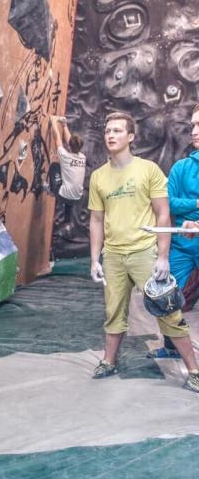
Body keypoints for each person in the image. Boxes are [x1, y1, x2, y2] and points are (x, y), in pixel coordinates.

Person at [88, 111, 199, 391]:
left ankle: (194, 370)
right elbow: (96, 220)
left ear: (131, 137)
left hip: (144, 252)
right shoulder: (99, 177)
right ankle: (108, 361)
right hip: (114, 255)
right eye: (107, 131)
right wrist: (94, 259)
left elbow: (163, 214)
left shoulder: (148, 170)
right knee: (114, 311)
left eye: (117, 130)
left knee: (168, 309)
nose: (110, 135)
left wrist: (161, 256)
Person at [148, 106, 199, 359]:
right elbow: (169, 203)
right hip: (181, 244)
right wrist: (196, 205)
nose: (195, 132)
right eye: (193, 125)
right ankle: (172, 347)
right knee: (168, 296)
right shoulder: (181, 167)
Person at [50, 115, 86, 222]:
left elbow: (57, 137)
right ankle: (67, 219)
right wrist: (64, 125)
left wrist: (53, 121)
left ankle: (50, 189)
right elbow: (70, 142)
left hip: (64, 195)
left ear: (69, 146)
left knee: (54, 167)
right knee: (70, 189)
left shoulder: (65, 156)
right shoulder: (82, 157)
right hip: (77, 198)